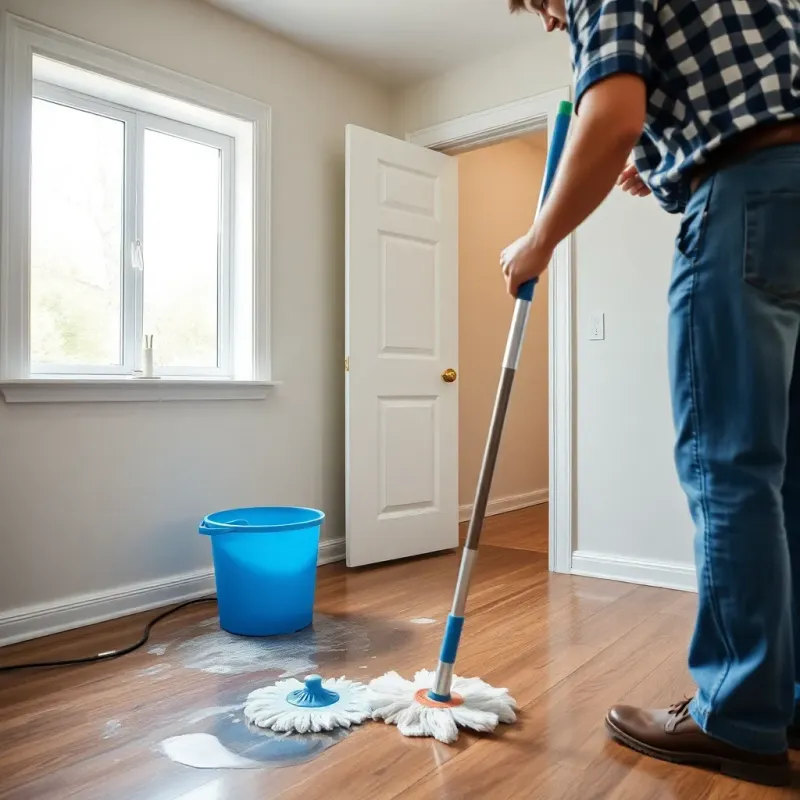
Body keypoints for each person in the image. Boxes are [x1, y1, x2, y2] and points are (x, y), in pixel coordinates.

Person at [502, 0, 800, 787]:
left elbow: (610, 110)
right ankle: (788, 699)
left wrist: (537, 242)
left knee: (729, 470)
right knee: (785, 479)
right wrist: (671, 159)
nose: (546, 22)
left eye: (540, 3)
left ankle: (737, 717)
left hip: (745, 203)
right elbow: (751, 95)